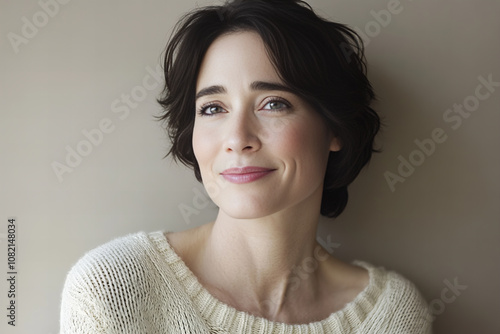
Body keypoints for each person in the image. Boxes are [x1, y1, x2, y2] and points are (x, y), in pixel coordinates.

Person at [60, 0, 433, 333]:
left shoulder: (391, 315)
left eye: (273, 103)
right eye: (213, 108)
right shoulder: (113, 289)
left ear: (334, 127)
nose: (237, 137)